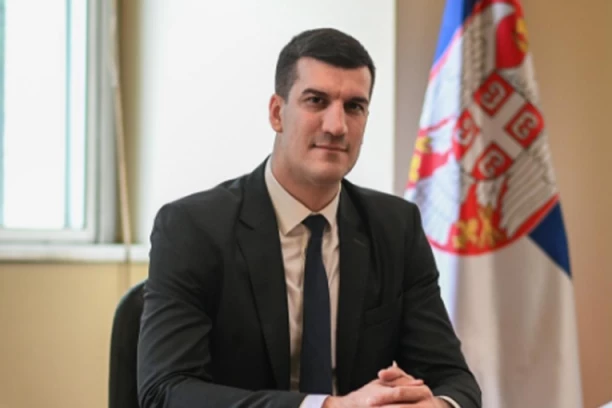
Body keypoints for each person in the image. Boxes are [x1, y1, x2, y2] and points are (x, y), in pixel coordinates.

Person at [137, 27, 481, 408]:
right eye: (316, 101)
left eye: (354, 107)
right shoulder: (192, 229)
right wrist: (329, 407)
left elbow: (455, 380)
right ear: (277, 113)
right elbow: (166, 391)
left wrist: (434, 405)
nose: (336, 126)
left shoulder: (396, 228)